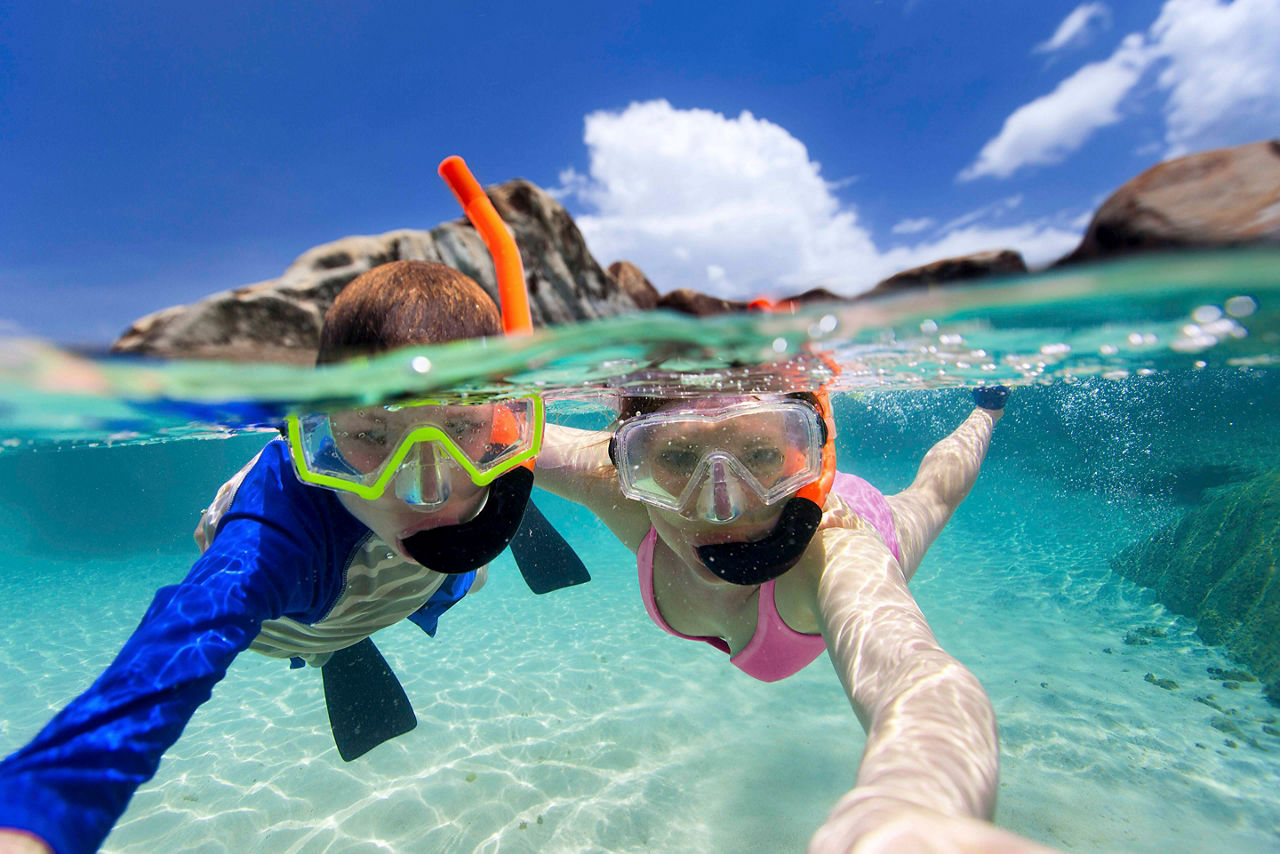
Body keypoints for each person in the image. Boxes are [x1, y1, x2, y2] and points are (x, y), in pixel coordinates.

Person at [0, 258, 559, 854]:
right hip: (296, 620)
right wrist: (39, 820)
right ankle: (339, 649)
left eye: (462, 428)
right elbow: (175, 645)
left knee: (460, 564)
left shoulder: (487, 453)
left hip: (405, 582)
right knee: (352, 599)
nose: (425, 489)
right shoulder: (274, 538)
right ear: (316, 426)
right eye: (371, 435)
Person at [534, 379, 1057, 852]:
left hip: (851, 517)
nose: (722, 507)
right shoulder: (619, 490)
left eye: (760, 452)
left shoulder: (836, 558)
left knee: (932, 496)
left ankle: (987, 412)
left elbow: (917, 676)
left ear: (812, 454)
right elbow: (503, 429)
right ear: (632, 461)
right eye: (677, 455)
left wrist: (911, 807)